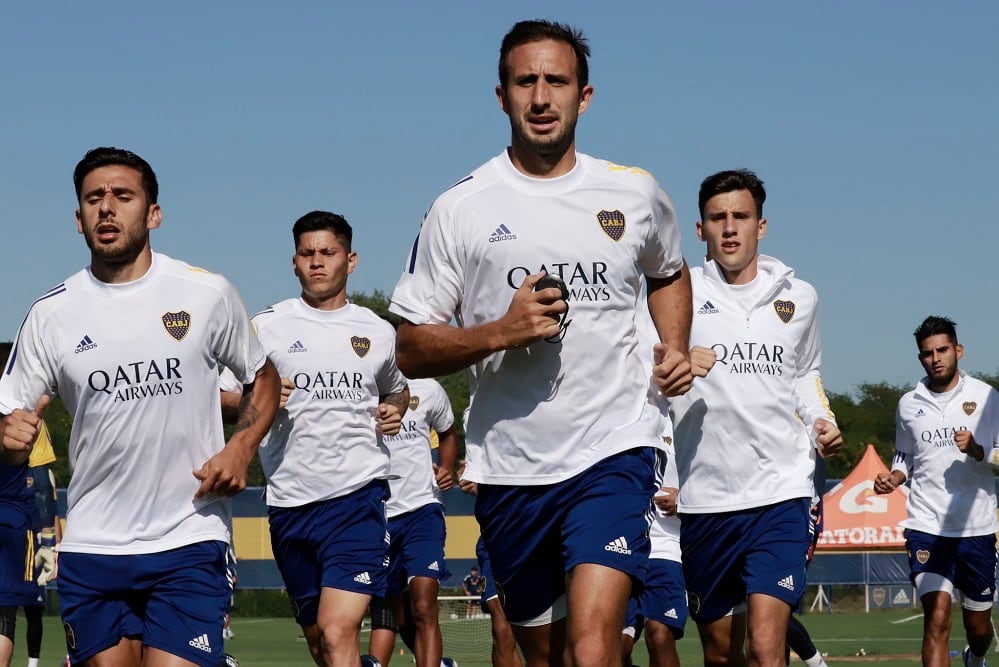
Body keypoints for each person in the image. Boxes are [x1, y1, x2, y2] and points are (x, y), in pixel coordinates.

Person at [389, 19, 694, 665]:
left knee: (592, 647)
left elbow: (667, 271)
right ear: (500, 96)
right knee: (544, 654)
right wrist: (500, 330)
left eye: (555, 81)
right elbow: (409, 347)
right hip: (510, 468)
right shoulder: (459, 207)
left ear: (584, 96)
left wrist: (673, 345)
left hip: (615, 446)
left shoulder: (632, 191)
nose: (539, 97)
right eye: (524, 81)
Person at [0, 146, 281, 667]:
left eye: (122, 196)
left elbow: (263, 375)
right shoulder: (50, 315)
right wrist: (7, 440)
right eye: (93, 199)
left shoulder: (205, 293)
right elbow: (7, 413)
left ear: (153, 213)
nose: (107, 207)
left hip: (189, 536)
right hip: (93, 545)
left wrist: (243, 445)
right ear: (78, 220)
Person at [671, 169, 842, 667]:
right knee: (721, 653)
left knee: (766, 647)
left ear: (761, 226)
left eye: (740, 217)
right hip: (706, 500)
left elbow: (805, 374)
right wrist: (676, 368)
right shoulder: (675, 295)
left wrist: (820, 421)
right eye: (717, 218)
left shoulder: (800, 297)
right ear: (699, 230)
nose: (730, 228)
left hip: (781, 494)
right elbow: (644, 374)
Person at [251, 210, 409, 666]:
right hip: (289, 504)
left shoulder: (377, 331)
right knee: (322, 642)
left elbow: (399, 388)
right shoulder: (267, 327)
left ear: (351, 260)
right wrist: (256, 396)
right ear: (294, 263)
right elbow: (223, 395)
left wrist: (394, 410)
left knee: (339, 630)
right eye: (307, 253)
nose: (317, 262)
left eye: (328, 252)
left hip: (357, 499)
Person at [874, 316, 999, 667]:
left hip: (976, 529)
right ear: (921, 358)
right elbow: (905, 455)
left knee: (979, 627)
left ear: (958, 350)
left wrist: (979, 450)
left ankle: (975, 657)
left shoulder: (987, 397)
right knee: (938, 616)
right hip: (926, 526)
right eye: (928, 353)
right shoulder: (907, 403)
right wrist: (895, 477)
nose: (936, 358)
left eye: (943, 350)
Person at [367, 376, 458, 667]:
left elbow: (448, 432)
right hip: (379, 515)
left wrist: (446, 467)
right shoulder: (363, 388)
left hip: (423, 510)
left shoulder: (428, 388)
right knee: (398, 616)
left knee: (423, 603)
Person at [622, 438, 686, 667]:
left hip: (665, 550)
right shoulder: (619, 416)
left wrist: (685, 499)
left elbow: (720, 484)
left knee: (659, 636)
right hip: (622, 548)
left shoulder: (686, 425)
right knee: (616, 648)